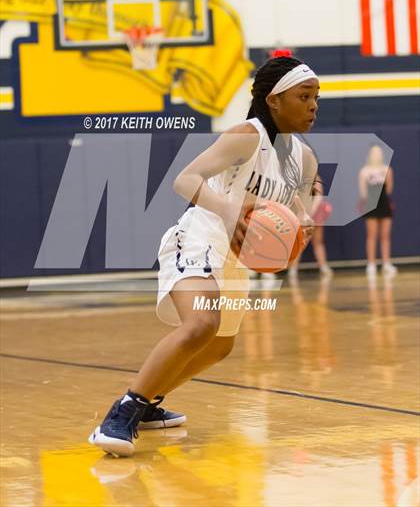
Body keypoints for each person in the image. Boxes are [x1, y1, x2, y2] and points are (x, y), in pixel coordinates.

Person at [89, 54, 320, 457]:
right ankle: (122, 412)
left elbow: (298, 212)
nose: (314, 105)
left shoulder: (305, 158)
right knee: (201, 324)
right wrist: (229, 209)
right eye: (304, 96)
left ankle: (147, 403)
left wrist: (302, 226)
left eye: (317, 97)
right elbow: (185, 179)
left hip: (238, 260)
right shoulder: (246, 136)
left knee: (218, 347)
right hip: (200, 238)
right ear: (274, 101)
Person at [359, 145, 396, 278]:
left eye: (378, 152)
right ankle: (371, 264)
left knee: (385, 236)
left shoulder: (387, 169)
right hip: (370, 204)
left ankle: (386, 263)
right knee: (371, 236)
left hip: (384, 204)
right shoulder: (364, 171)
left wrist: (383, 177)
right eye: (374, 153)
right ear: (370, 155)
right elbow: (363, 193)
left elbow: (390, 189)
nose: (376, 155)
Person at [288, 176, 333, 282]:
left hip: (315, 213)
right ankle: (293, 269)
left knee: (318, 242)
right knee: (299, 243)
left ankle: (323, 267)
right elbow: (295, 196)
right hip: (302, 213)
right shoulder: (297, 177)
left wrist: (311, 212)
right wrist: (303, 211)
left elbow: (319, 196)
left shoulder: (316, 178)